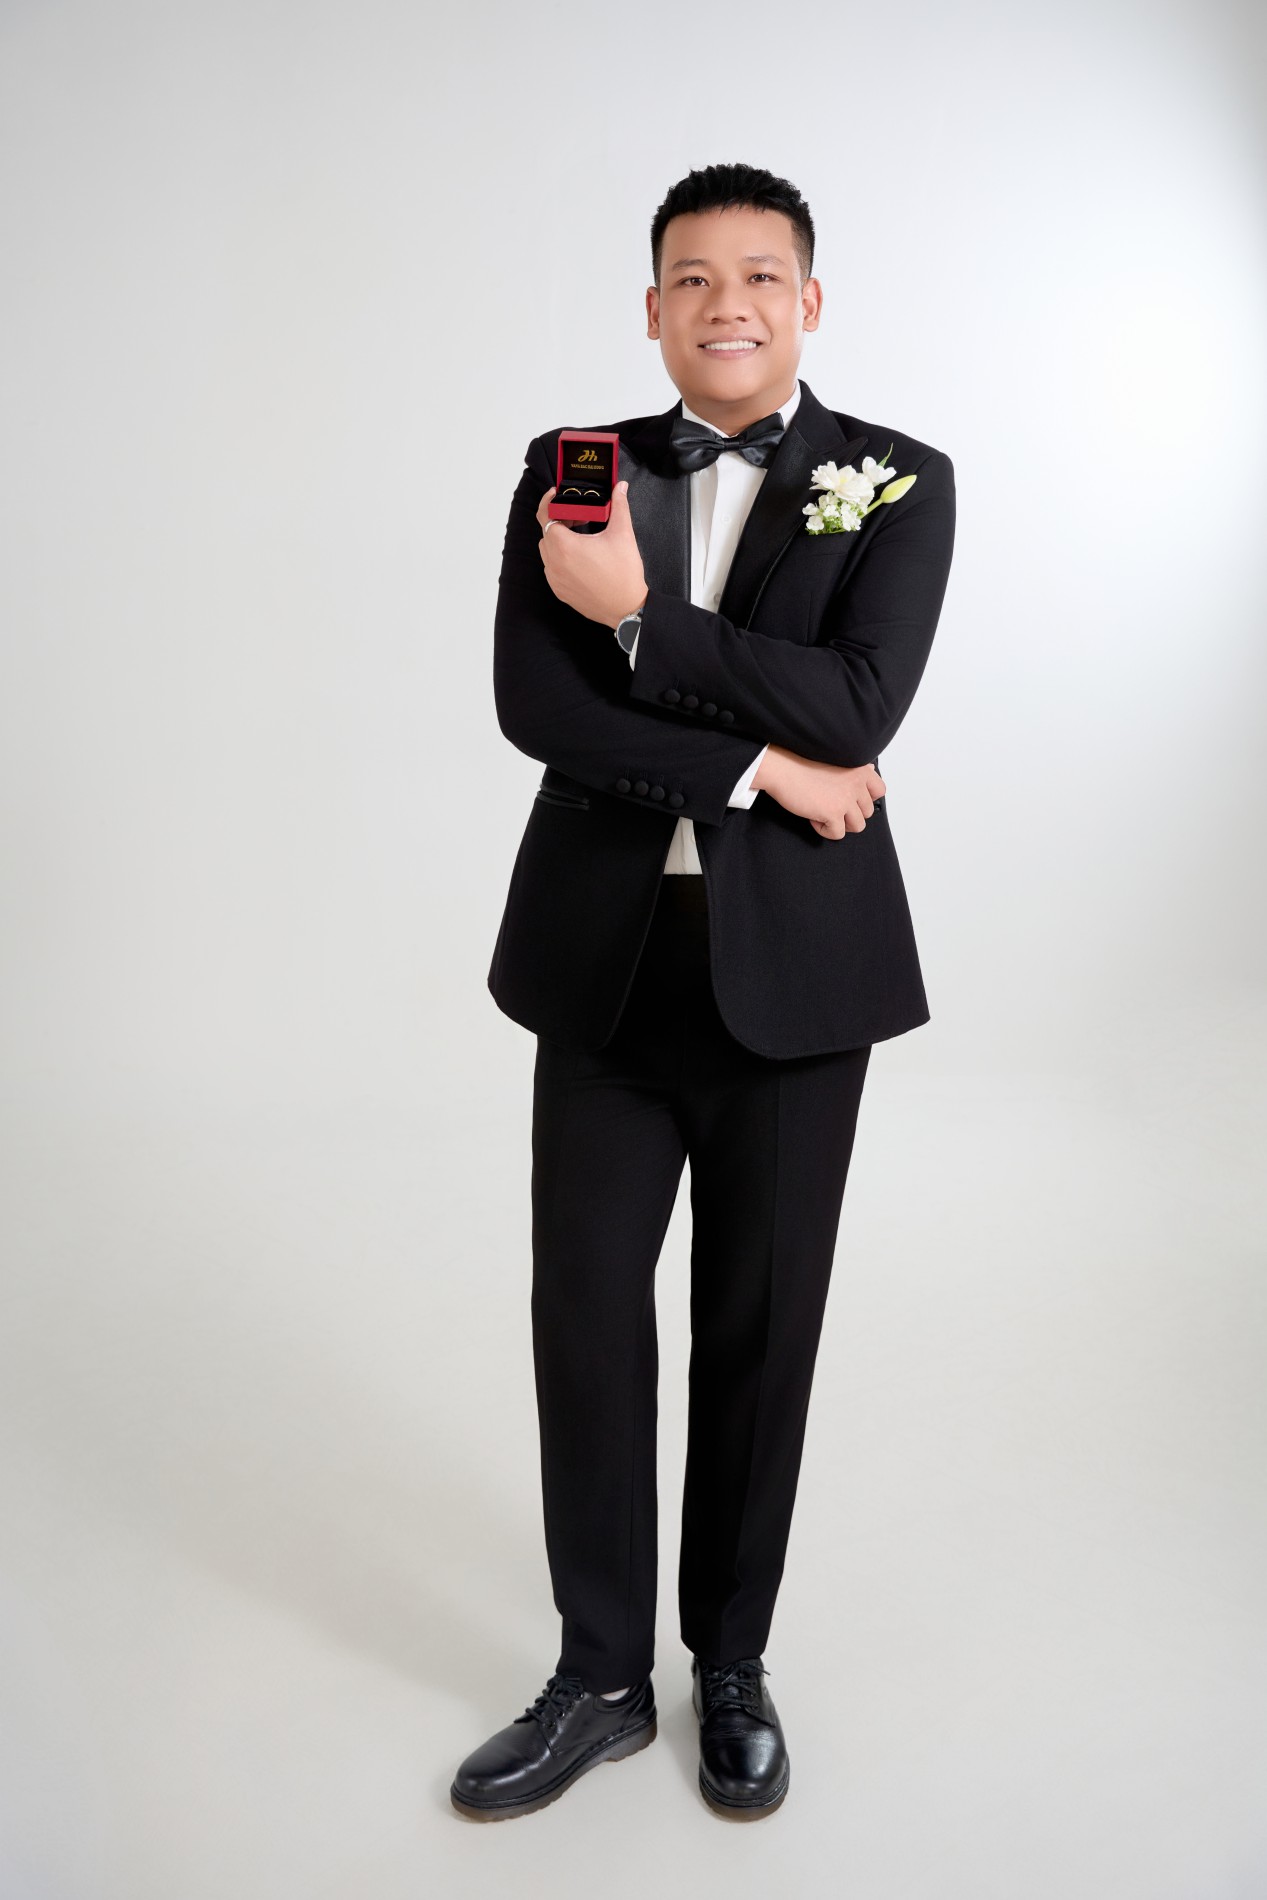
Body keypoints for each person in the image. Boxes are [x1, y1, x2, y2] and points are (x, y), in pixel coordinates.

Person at [451, 161, 956, 1823]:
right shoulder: (570, 469)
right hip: (603, 970)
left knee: (760, 1325)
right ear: (653, 308)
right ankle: (600, 1677)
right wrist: (761, 764)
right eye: (690, 278)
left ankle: (729, 1663)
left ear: (807, 301)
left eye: (756, 276)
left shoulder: (898, 480)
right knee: (586, 1323)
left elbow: (859, 700)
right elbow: (541, 708)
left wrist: (646, 620)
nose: (723, 303)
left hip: (798, 980)